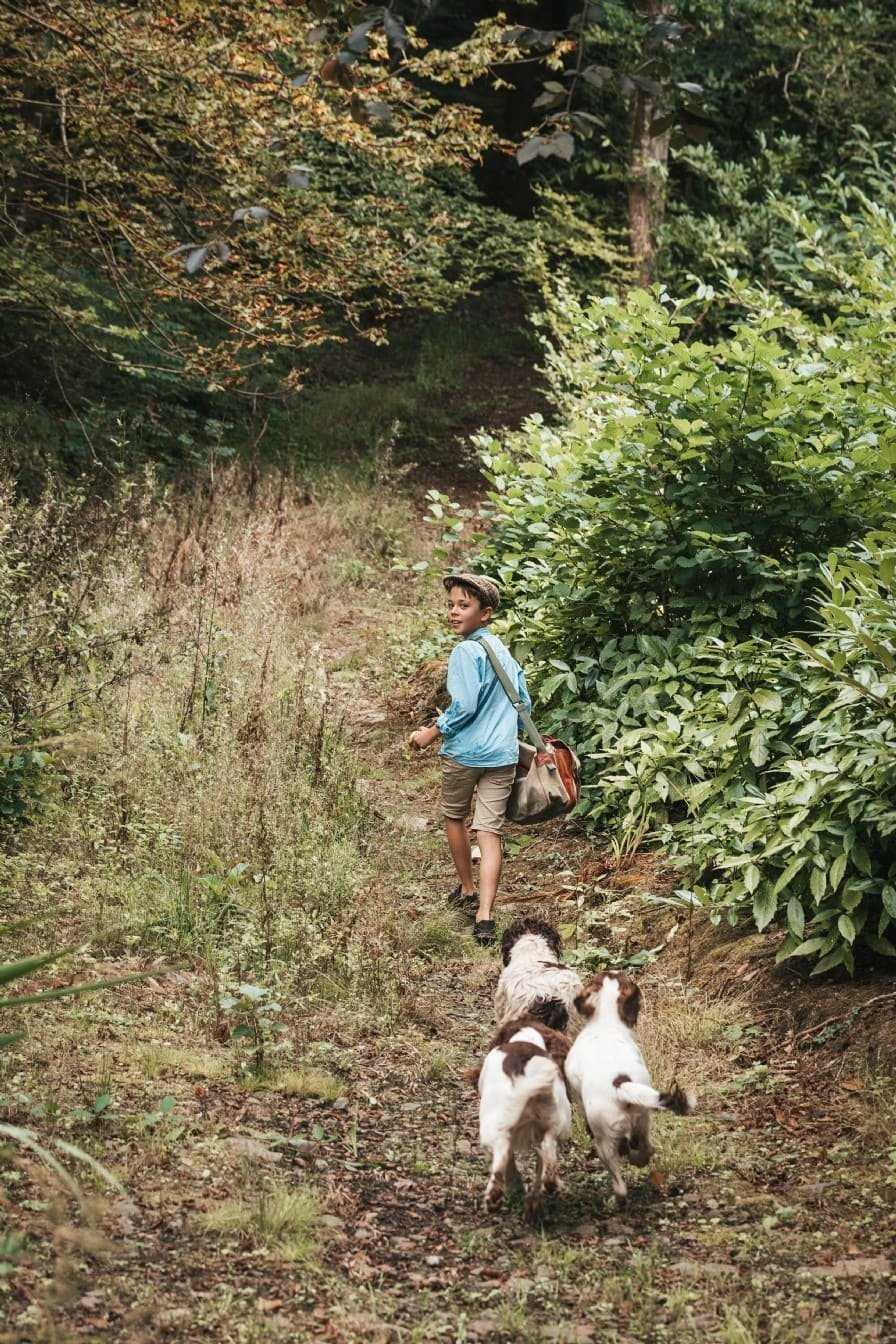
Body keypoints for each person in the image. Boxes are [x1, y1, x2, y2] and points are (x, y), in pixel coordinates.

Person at [408, 572, 531, 946]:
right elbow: (523, 701)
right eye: (451, 605)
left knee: (454, 816)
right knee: (490, 832)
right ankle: (486, 916)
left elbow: (464, 705)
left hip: (465, 754)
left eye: (464, 605)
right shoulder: (502, 651)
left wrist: (430, 732)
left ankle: (466, 890)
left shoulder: (465, 652)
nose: (454, 612)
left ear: (485, 612)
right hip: (502, 754)